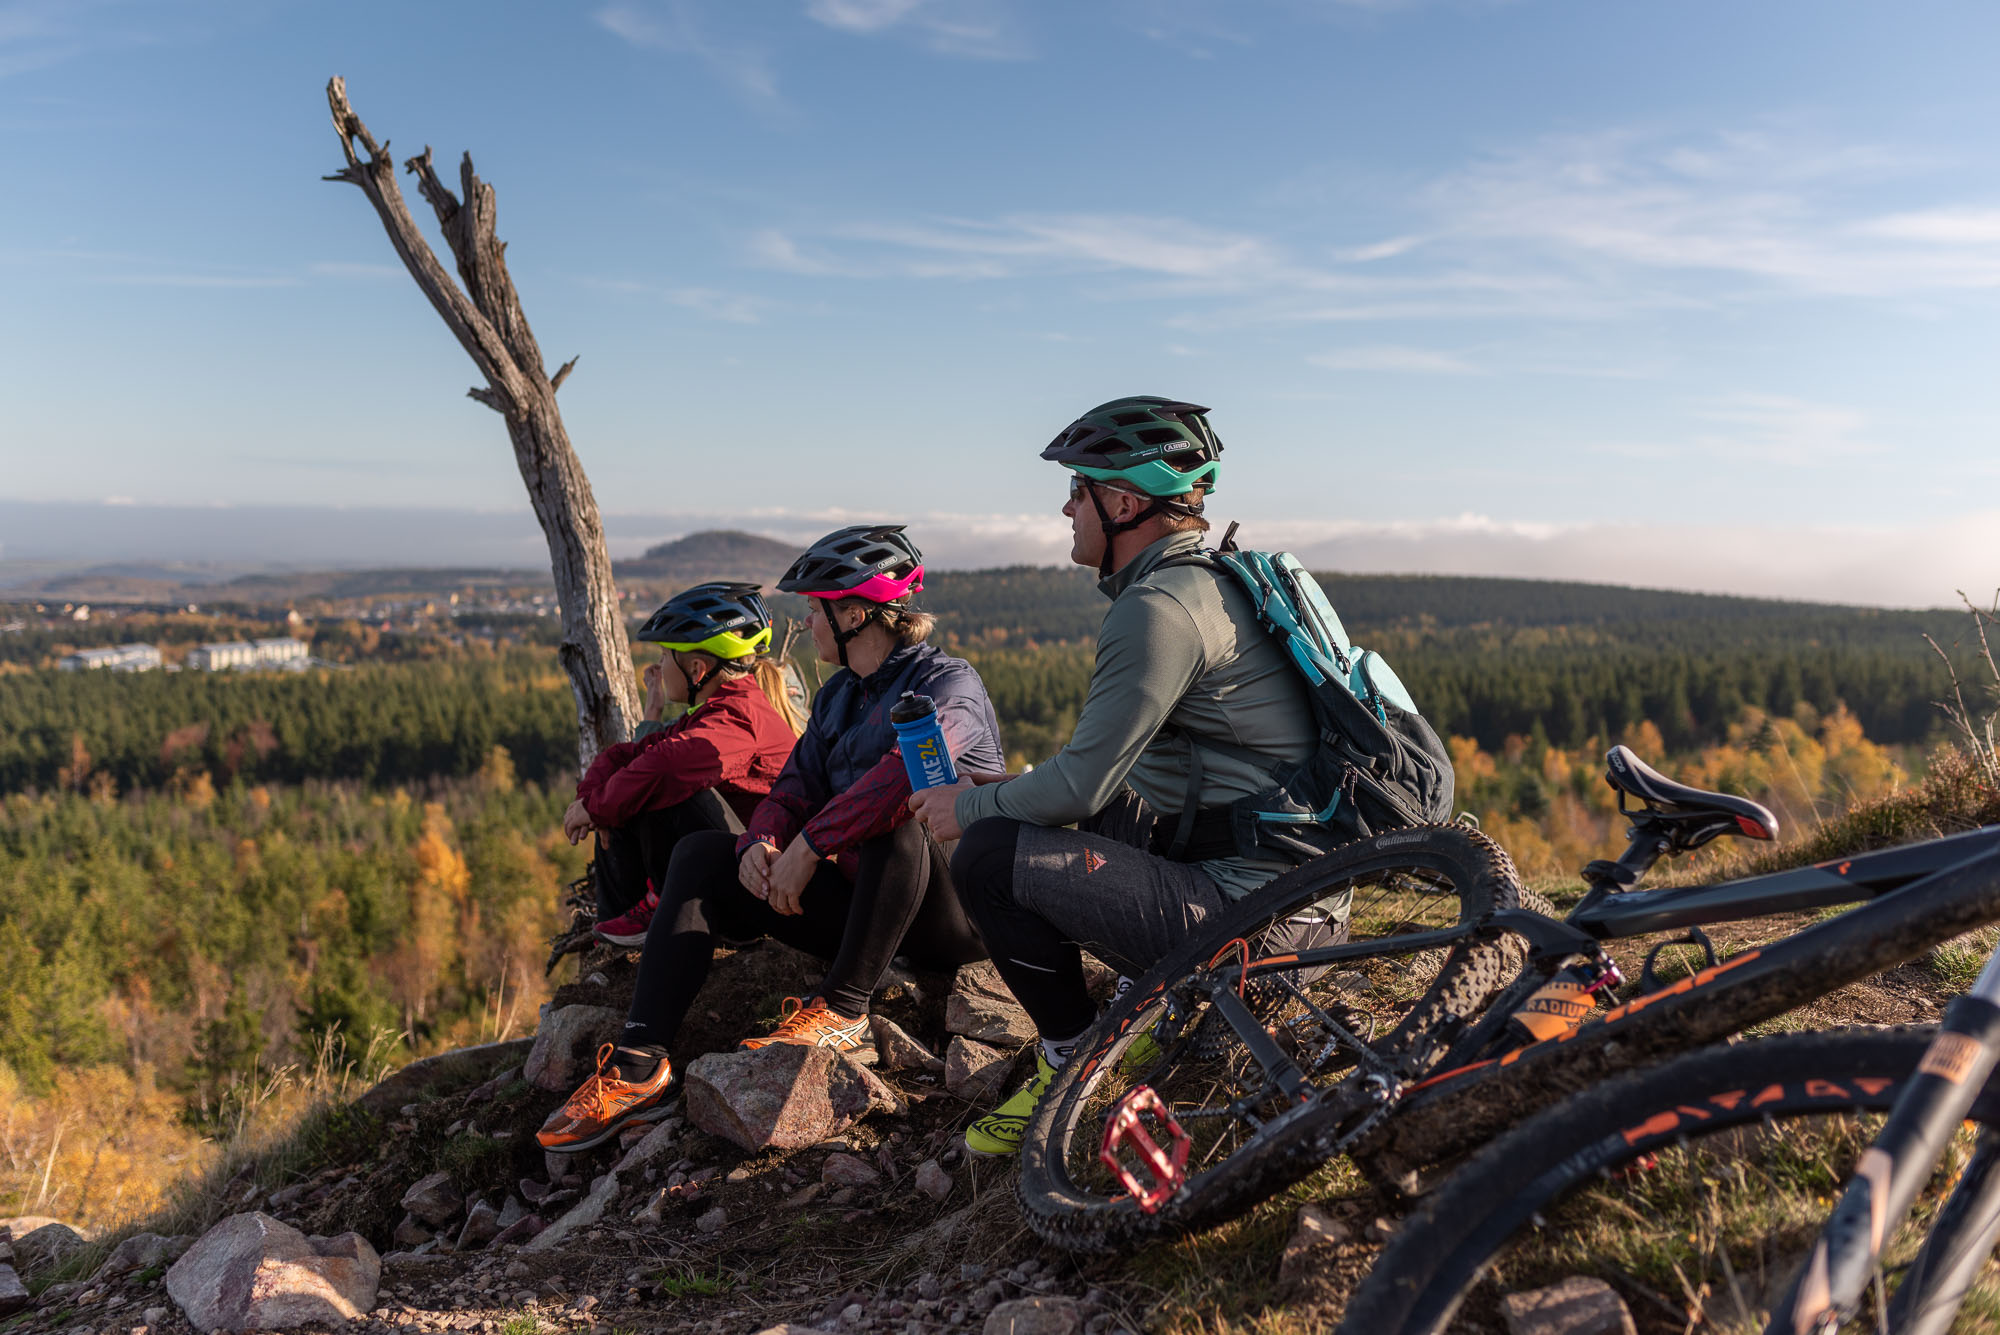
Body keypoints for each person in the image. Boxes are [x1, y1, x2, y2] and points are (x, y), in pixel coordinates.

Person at [908, 397, 1318, 1156]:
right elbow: (1104, 780)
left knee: (989, 854)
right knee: (1088, 801)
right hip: (1300, 895)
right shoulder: (1217, 580)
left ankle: (1074, 1056)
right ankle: (1137, 1002)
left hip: (1255, 920)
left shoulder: (1157, 607)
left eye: (1079, 488)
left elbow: (1078, 789)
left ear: (1123, 502)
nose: (1068, 506)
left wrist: (972, 803)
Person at [538, 524, 1004, 1153]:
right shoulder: (840, 696)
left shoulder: (950, 685)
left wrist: (808, 846)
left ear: (857, 614)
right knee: (702, 855)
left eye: (816, 609)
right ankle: (638, 1065)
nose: (807, 623)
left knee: (903, 819)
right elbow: (793, 786)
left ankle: (843, 1014)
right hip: (868, 909)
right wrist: (761, 843)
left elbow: (898, 784)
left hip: (955, 913)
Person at [561, 583, 804, 950]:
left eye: (664, 656)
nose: (659, 666)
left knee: (671, 788)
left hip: (762, 886)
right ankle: (613, 932)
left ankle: (657, 908)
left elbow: (665, 768)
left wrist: (597, 807)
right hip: (738, 870)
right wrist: (591, 804)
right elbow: (624, 755)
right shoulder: (713, 711)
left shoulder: (738, 719)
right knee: (630, 789)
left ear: (695, 668)